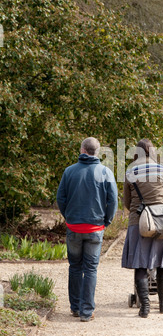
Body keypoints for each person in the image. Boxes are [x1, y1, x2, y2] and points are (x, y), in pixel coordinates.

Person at [57, 137, 118, 322]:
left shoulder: (69, 172)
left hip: (74, 226)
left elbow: (61, 198)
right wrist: (106, 221)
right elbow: (113, 200)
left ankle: (75, 307)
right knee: (91, 269)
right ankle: (86, 311)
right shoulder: (105, 172)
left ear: (83, 150)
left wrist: (68, 217)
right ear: (97, 152)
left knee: (75, 267)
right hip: (95, 227)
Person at [121, 138, 163, 318]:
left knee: (140, 264)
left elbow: (126, 201)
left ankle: (144, 307)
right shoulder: (162, 169)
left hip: (138, 221)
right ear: (152, 152)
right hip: (161, 220)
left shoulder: (131, 170)